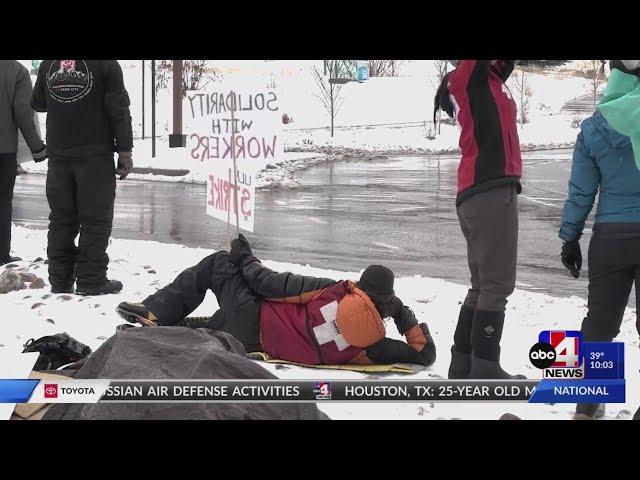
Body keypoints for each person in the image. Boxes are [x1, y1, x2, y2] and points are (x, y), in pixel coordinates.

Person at [116, 235, 437, 367]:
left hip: (253, 316)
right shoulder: (375, 347)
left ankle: (156, 313)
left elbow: (266, 283)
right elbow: (424, 354)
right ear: (386, 303)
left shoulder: (333, 290)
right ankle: (180, 325)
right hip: (258, 343)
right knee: (216, 323)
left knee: (218, 264)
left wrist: (244, 256)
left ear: (361, 286)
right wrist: (404, 315)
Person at [560, 60, 640, 419]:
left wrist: (570, 237)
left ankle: (587, 406)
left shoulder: (593, 128)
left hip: (610, 238)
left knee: (599, 324)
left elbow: (581, 192)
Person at [434, 60, 524, 379]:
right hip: (490, 188)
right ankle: (485, 365)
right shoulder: (468, 79)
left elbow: (505, 64)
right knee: (498, 284)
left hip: (481, 189)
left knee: (483, 285)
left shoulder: (490, 80)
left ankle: (463, 362)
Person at [31, 60, 133, 295]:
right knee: (95, 220)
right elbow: (119, 109)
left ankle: (60, 279)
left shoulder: (49, 64)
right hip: (95, 154)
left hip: (59, 153)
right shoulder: (106, 64)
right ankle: (91, 280)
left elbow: (38, 102)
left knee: (61, 219)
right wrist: (125, 151)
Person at [0, 60, 47, 265]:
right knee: (2, 203)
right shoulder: (16, 71)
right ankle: (1, 254)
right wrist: (37, 147)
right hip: (3, 151)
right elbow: (22, 112)